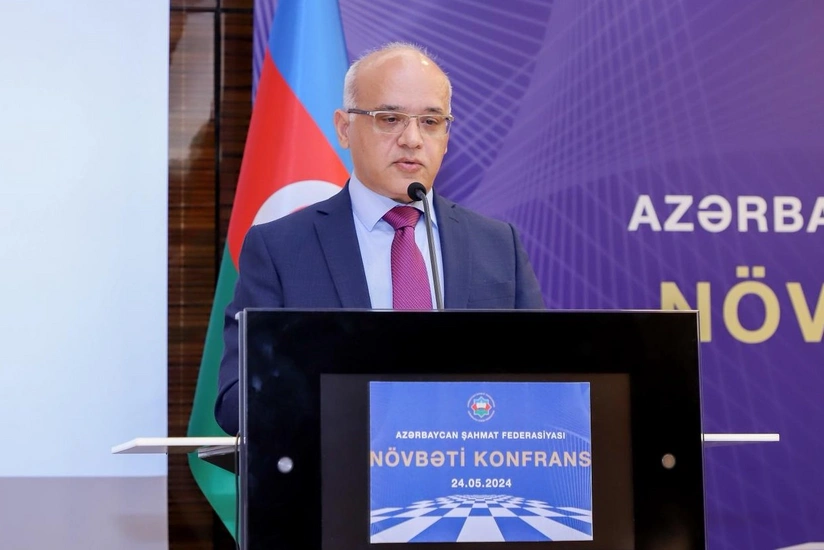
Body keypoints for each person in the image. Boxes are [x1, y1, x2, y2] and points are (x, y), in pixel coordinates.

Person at [214, 42, 545, 434]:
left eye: (430, 121)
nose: (412, 139)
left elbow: (548, 382)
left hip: (470, 466)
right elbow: (235, 400)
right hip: (339, 466)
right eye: (390, 119)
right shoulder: (280, 250)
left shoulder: (498, 245)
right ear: (344, 128)